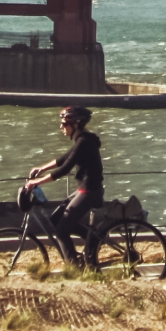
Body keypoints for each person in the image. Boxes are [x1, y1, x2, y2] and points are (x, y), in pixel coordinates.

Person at [25, 105, 103, 264]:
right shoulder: (82, 140)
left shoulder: (84, 142)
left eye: (65, 124)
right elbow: (64, 159)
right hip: (84, 188)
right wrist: (42, 168)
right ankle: (93, 239)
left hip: (90, 191)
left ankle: (73, 269)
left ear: (76, 125)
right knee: (56, 219)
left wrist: (37, 182)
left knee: (61, 231)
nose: (61, 127)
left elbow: (64, 169)